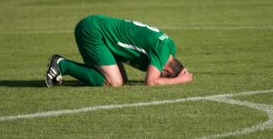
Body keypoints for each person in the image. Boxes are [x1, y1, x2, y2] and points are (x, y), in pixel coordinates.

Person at [45, 15, 193, 87]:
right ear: (166, 71)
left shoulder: (169, 48)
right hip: (93, 31)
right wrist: (179, 79)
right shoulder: (162, 51)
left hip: (101, 34)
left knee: (121, 79)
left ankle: (74, 69)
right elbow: (151, 81)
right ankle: (62, 65)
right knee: (114, 81)